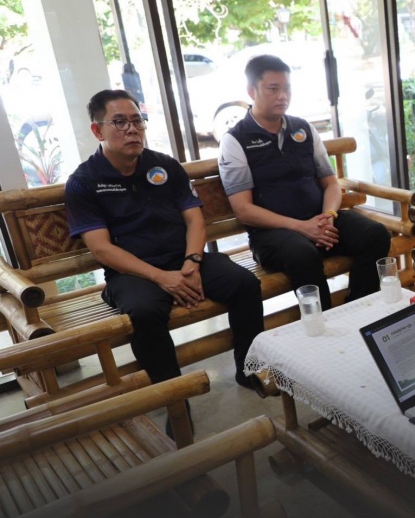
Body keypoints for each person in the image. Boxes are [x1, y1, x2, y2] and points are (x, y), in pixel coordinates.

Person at [65, 89, 266, 404]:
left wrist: (192, 263)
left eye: (137, 121)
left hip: (184, 259)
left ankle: (249, 369)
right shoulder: (83, 182)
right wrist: (161, 277)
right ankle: (174, 401)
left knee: (245, 284)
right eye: (120, 122)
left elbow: (195, 221)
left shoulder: (164, 166)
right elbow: (102, 249)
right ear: (97, 130)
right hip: (132, 273)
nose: (132, 129)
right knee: (144, 314)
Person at [218, 54, 390, 310]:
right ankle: (322, 322)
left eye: (287, 88)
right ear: (252, 91)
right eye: (273, 89)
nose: (282, 96)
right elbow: (243, 210)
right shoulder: (235, 140)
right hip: (273, 236)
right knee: (303, 255)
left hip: (319, 221)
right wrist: (302, 227)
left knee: (375, 235)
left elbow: (331, 183)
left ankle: (357, 310)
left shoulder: (303, 129)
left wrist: (328, 215)